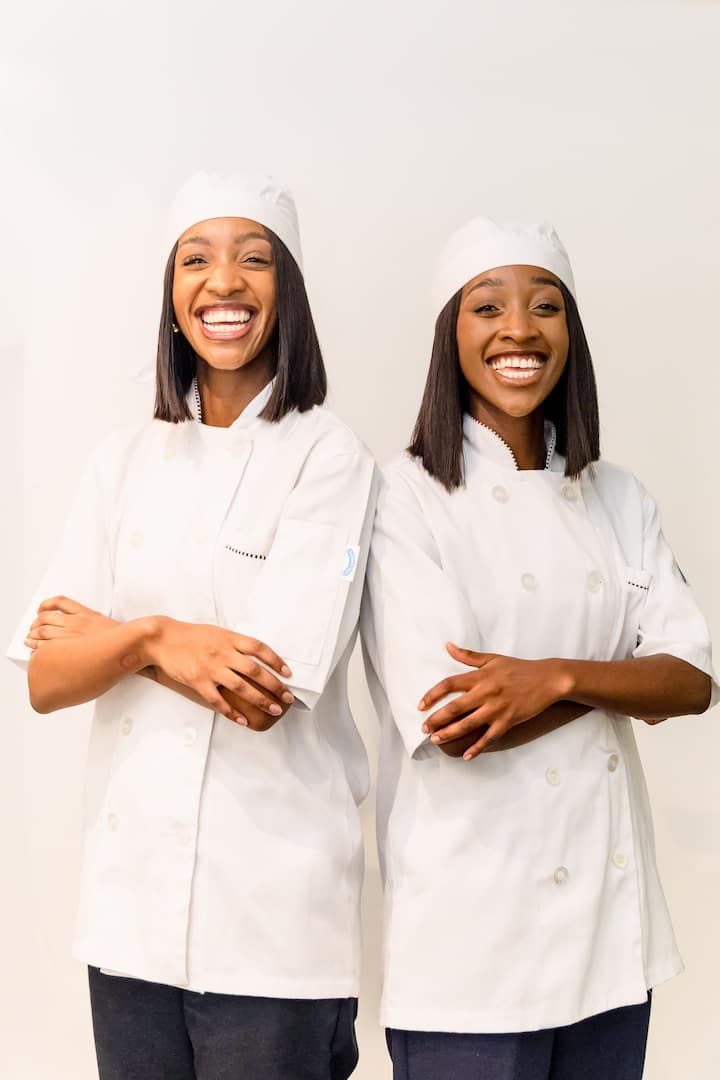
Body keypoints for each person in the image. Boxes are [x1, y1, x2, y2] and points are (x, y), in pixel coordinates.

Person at [8, 170, 376, 1080]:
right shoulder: (122, 459)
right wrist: (158, 638)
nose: (223, 283)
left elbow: (265, 694)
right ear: (172, 296)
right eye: (196, 260)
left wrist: (117, 638)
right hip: (127, 915)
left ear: (287, 293)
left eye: (254, 259)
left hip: (272, 921)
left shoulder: (330, 458)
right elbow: (46, 679)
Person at [361, 217, 716, 1080]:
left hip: (609, 938)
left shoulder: (618, 497)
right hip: (471, 946)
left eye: (545, 307)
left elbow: (692, 680)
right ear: (451, 337)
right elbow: (454, 722)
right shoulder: (404, 499)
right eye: (488, 307)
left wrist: (552, 677)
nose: (518, 329)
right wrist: (616, 683)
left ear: (571, 334)